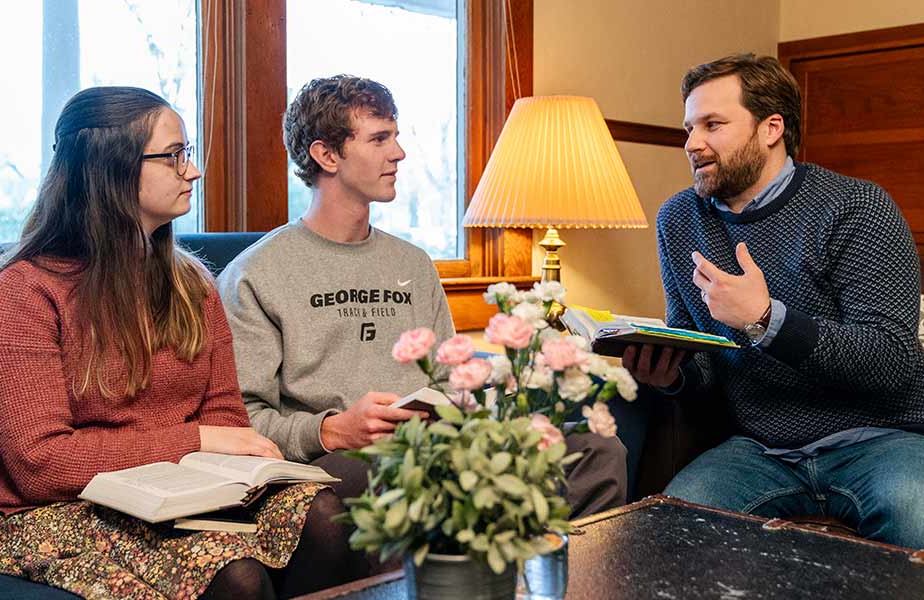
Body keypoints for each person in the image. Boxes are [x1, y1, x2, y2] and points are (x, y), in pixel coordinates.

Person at [0, 86, 367, 600]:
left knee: (327, 518)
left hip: (179, 493)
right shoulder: (24, 291)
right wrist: (193, 441)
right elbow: (40, 465)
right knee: (234, 577)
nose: (192, 172)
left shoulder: (190, 284)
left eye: (188, 154)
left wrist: (218, 459)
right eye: (174, 157)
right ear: (111, 168)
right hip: (51, 510)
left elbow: (225, 418)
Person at [217, 75, 627, 520]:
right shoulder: (256, 273)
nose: (399, 153)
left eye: (395, 136)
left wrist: (501, 385)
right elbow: (240, 419)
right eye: (379, 139)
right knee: (405, 473)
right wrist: (330, 430)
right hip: (344, 462)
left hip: (440, 441)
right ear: (327, 155)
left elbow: (448, 379)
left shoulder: (412, 263)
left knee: (597, 448)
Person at [622, 54, 924, 556]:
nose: (693, 143)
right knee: (677, 529)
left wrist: (766, 321)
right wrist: (669, 373)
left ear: (771, 128)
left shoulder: (857, 207)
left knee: (919, 525)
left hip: (887, 440)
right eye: (689, 128)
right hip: (762, 449)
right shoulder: (679, 219)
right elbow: (704, 360)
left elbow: (889, 358)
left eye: (713, 124)